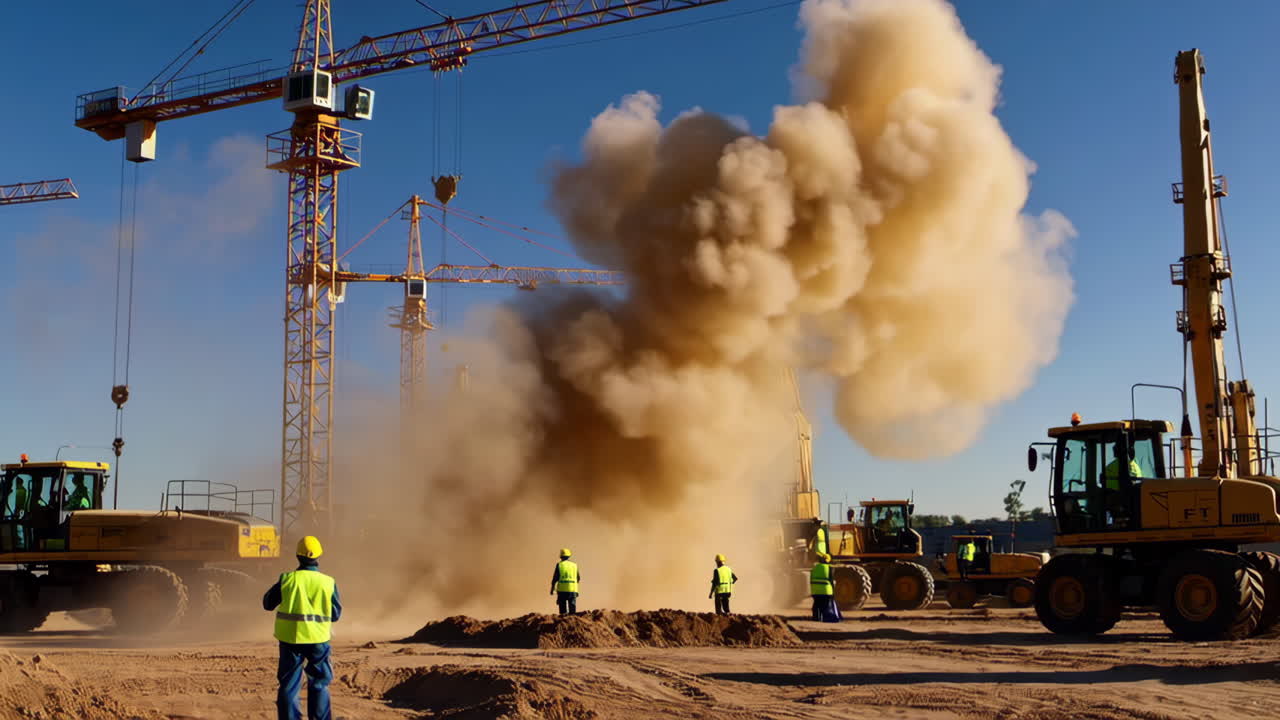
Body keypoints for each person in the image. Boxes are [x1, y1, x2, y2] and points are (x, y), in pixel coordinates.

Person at [263, 536, 342, 720]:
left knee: (289, 684)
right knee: (320, 683)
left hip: (290, 639)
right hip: (318, 640)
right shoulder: (328, 582)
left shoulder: (287, 579)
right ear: (319, 555)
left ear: (297, 556)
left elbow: (267, 603)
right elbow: (336, 614)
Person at [550, 548, 579, 615]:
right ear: (569, 556)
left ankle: (564, 621)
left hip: (562, 590)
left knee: (563, 611)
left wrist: (552, 589)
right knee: (572, 610)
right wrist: (576, 590)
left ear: (561, 556)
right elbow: (578, 578)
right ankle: (572, 621)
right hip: (572, 590)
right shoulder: (574, 565)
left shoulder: (559, 565)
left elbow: (555, 578)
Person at [810, 552, 838, 622]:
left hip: (815, 591)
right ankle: (825, 618)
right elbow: (831, 580)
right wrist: (833, 591)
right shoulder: (829, 568)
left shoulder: (814, 568)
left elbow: (811, 579)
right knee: (825, 606)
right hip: (826, 591)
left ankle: (816, 618)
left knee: (816, 605)